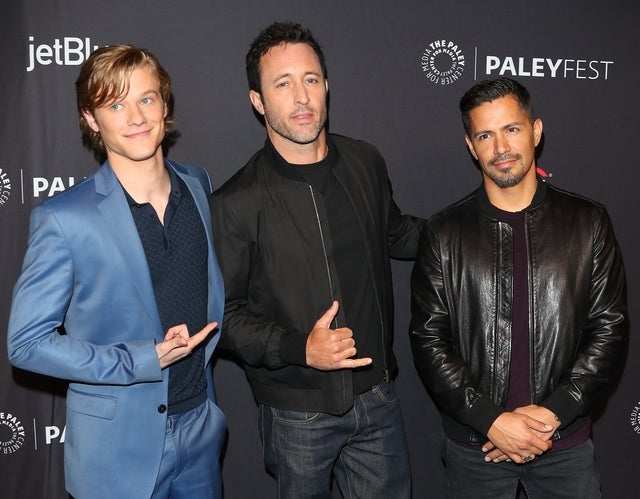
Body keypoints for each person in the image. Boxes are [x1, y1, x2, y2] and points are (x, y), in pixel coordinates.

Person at [210, 21, 423, 499]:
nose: (301, 97)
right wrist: (299, 348)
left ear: (326, 85)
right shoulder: (236, 201)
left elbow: (396, 233)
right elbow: (222, 317)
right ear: (258, 101)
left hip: (378, 399)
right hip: (297, 413)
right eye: (282, 84)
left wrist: (476, 223)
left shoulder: (365, 161)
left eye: (310, 79)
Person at [7, 45, 226, 499]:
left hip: (200, 434)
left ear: (165, 104)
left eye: (147, 98)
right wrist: (142, 359)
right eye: (115, 104)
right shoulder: (66, 219)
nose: (136, 116)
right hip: (115, 454)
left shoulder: (198, 185)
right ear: (91, 119)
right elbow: (26, 345)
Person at [409, 77, 628, 498]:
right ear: (471, 147)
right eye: (485, 135)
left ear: (536, 131)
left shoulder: (588, 223)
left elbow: (609, 328)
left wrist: (553, 413)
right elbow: (428, 341)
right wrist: (491, 420)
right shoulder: (442, 233)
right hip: (478, 447)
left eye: (512, 129)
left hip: (563, 444)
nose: (501, 147)